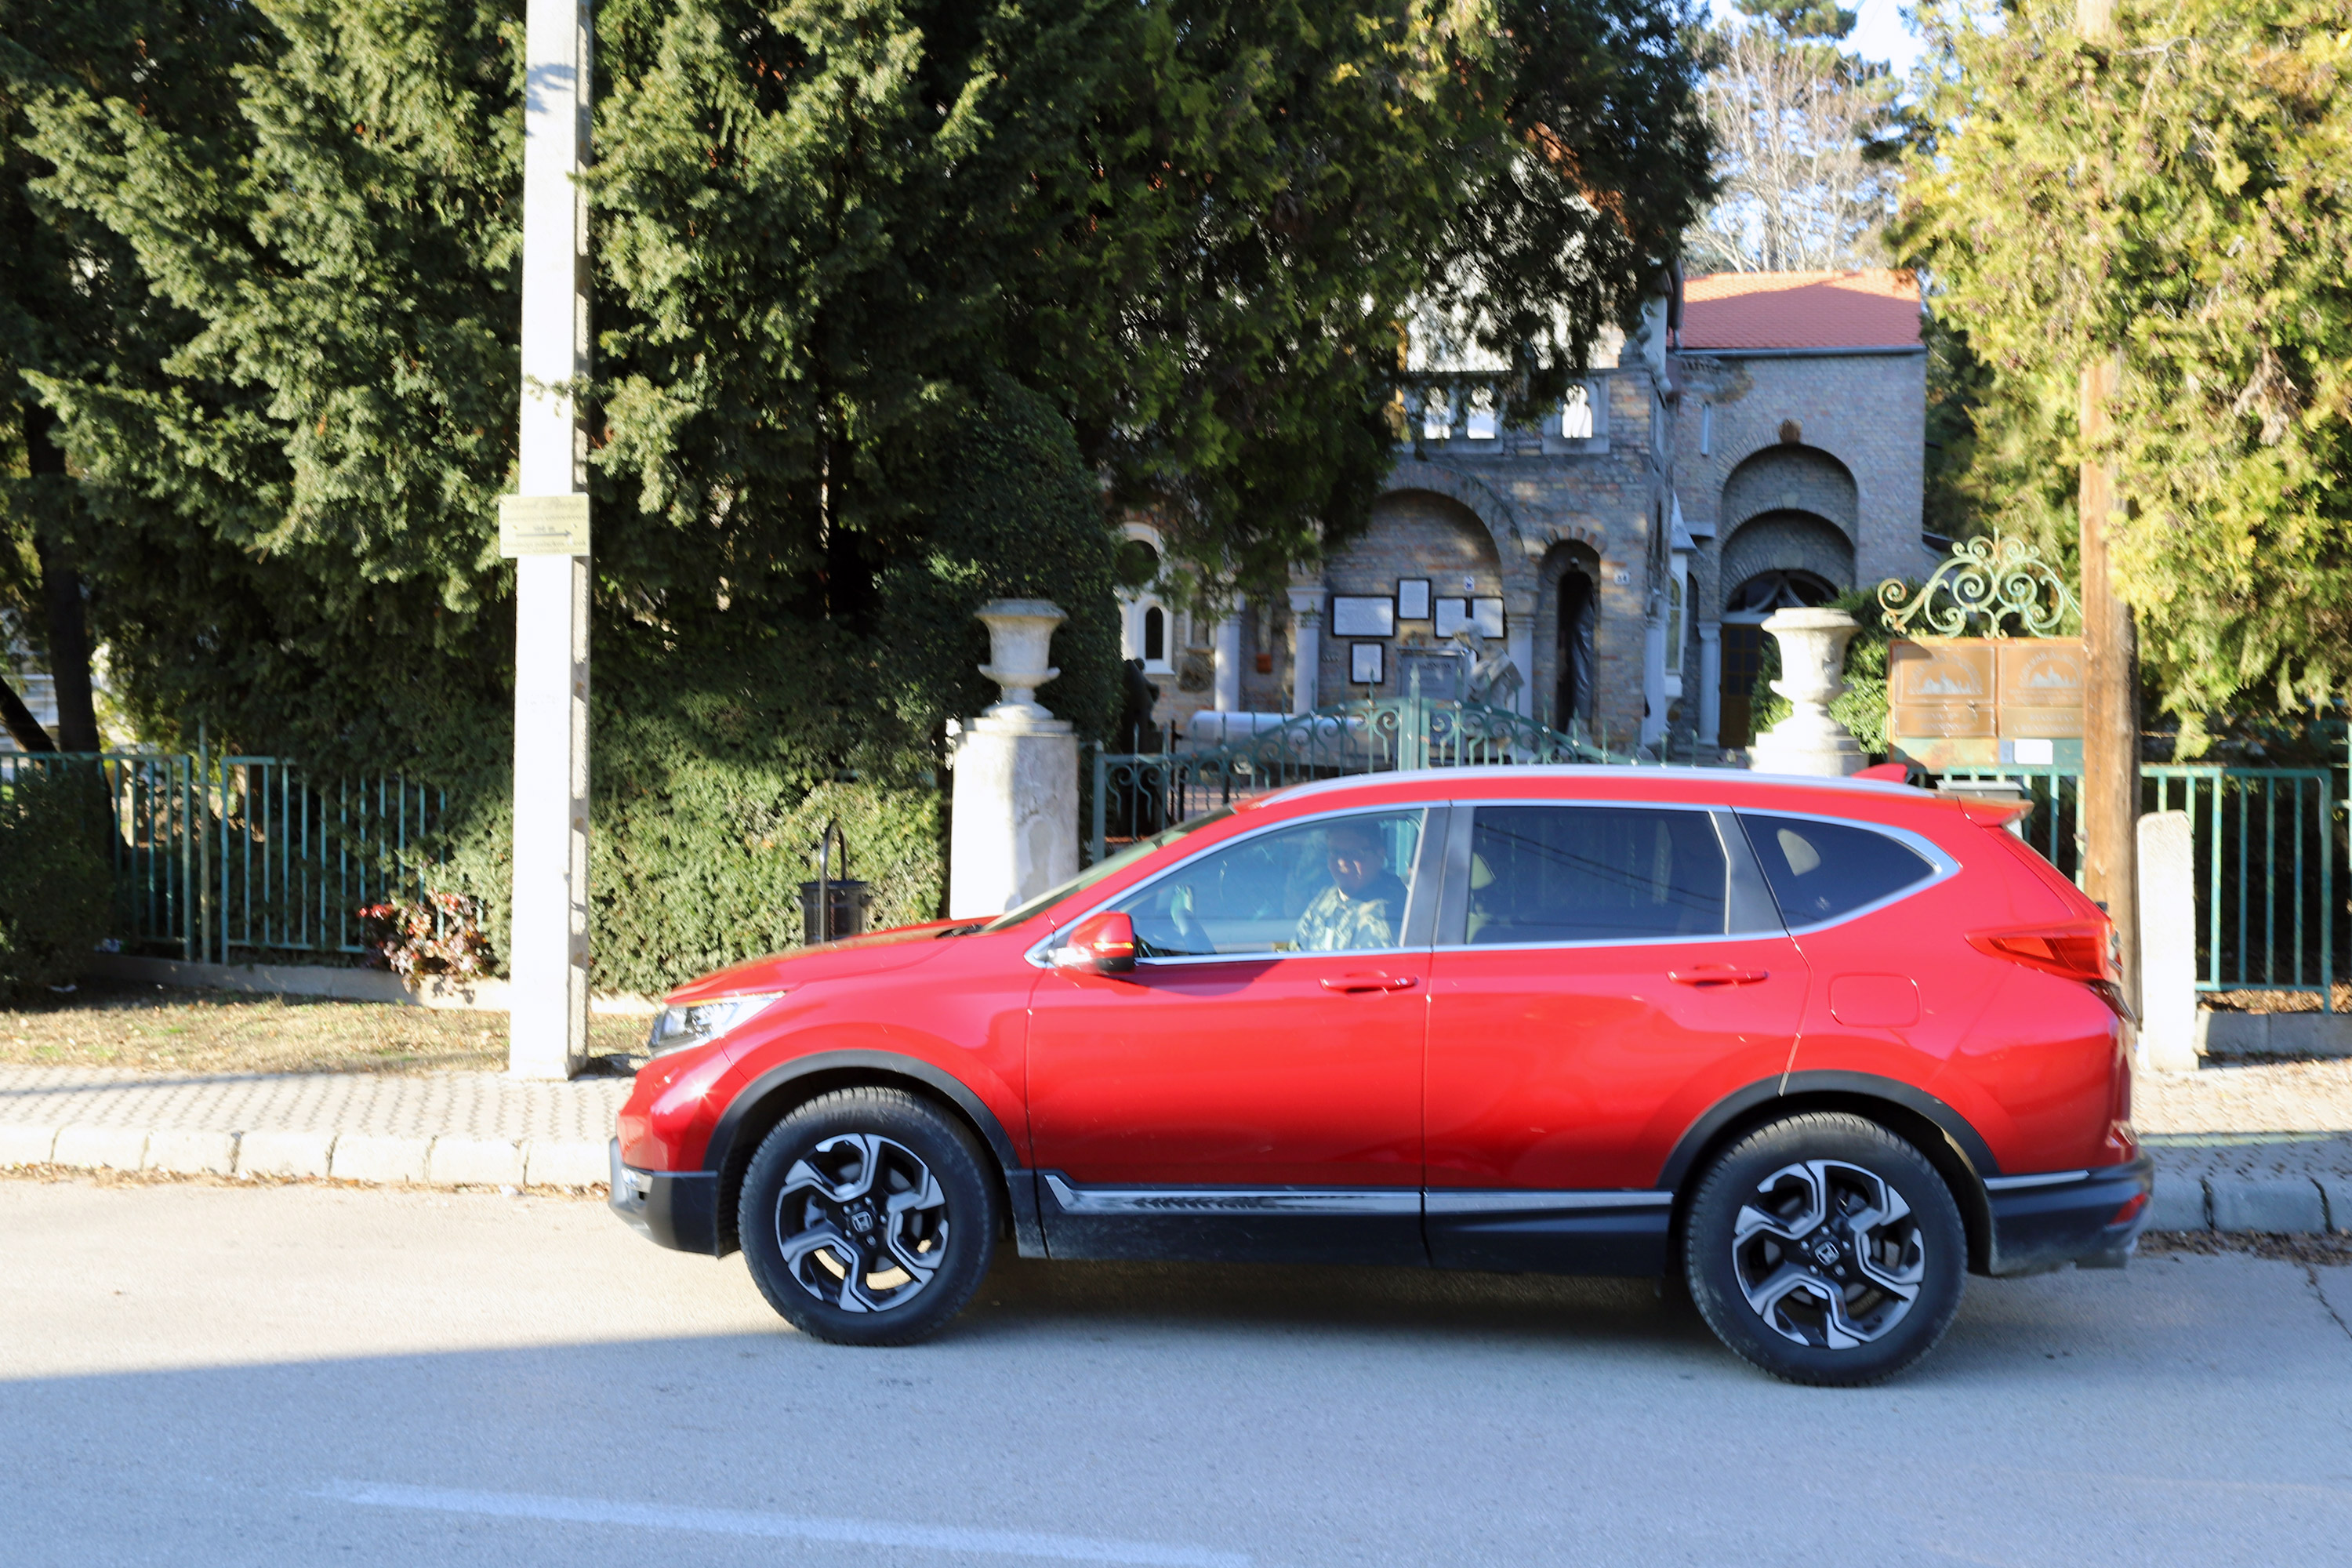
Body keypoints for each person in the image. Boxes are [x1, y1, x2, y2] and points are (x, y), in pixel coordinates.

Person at [1292, 818, 1410, 951]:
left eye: (1355, 853)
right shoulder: (1326, 897)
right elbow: (1296, 948)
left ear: (1380, 856)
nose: (1342, 861)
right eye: (1335, 852)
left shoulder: (1384, 914)